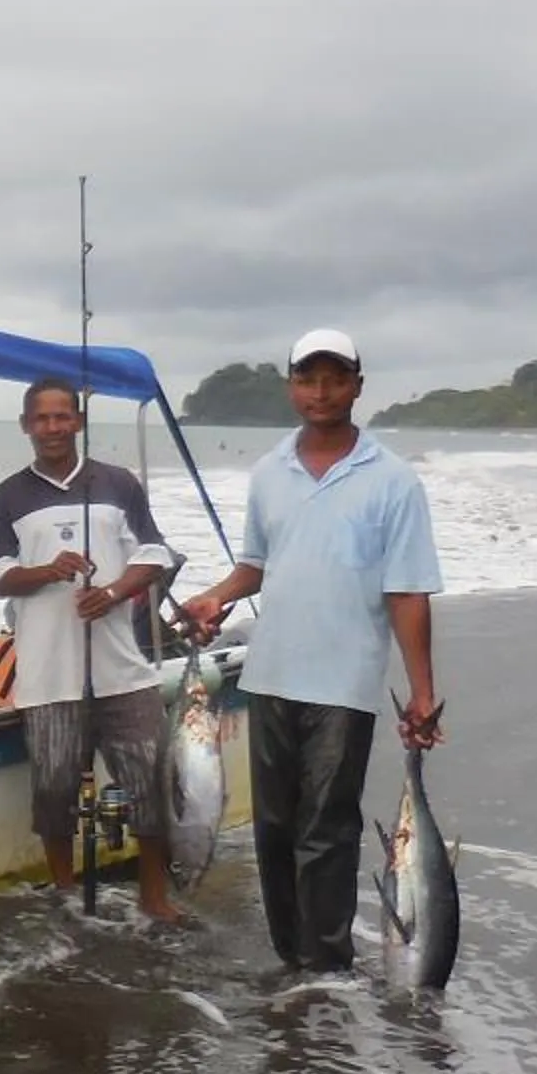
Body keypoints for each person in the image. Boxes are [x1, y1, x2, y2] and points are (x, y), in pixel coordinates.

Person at [175, 328, 444, 973]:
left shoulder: (394, 480)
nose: (320, 392)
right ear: (291, 386)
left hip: (343, 683)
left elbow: (408, 593)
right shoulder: (270, 472)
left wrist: (423, 691)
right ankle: (290, 955)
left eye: (334, 378)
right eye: (307, 379)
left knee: (326, 830)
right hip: (269, 676)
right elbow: (257, 564)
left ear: (356, 384)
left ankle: (325, 968)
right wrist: (215, 597)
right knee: (273, 828)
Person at [0, 378, 184, 923]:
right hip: (47, 677)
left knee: (150, 783)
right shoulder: (9, 496)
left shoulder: (118, 484)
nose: (52, 427)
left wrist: (114, 592)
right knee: (54, 791)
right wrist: (48, 571)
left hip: (124, 675)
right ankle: (67, 893)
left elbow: (155, 554)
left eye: (62, 417)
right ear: (26, 426)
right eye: (41, 419)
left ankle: (154, 896)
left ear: (78, 422)